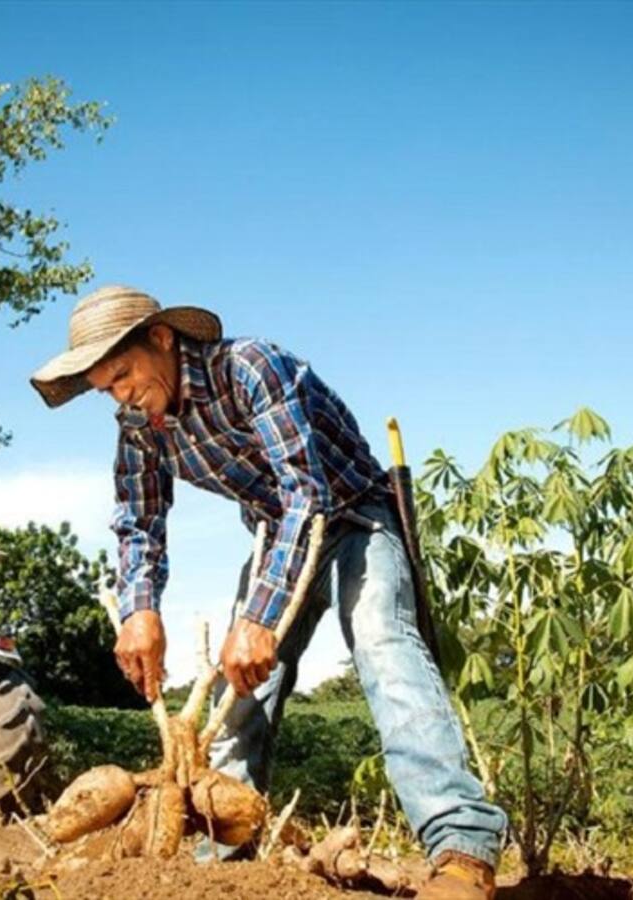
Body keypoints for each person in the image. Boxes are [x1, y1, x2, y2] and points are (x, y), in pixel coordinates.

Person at [30, 285, 506, 900]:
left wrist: (259, 616)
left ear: (163, 339)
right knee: (240, 689)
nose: (121, 396)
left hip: (357, 517)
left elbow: (304, 496)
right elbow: (138, 522)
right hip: (272, 538)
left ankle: (462, 848)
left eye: (123, 374)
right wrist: (138, 610)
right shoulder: (137, 426)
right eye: (106, 389)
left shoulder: (250, 367)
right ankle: (222, 848)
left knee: (383, 644)